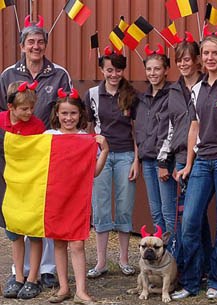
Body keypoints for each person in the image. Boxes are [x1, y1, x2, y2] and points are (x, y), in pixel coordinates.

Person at [0, 15, 72, 288]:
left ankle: (48, 269)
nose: (36, 46)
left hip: (47, 156)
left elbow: (67, 111)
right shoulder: (7, 74)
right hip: (17, 159)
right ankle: (22, 270)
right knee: (21, 213)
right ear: (22, 46)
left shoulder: (59, 73)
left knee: (47, 209)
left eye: (40, 42)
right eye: (31, 42)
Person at [172, 29, 217, 300]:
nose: (210, 57)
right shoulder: (197, 88)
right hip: (202, 160)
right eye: (206, 53)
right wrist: (189, 164)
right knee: (189, 221)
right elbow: (193, 128)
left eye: (215, 53)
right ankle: (190, 282)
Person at [46, 88, 108, 304]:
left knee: (78, 244)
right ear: (57, 114)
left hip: (77, 198)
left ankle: (81, 291)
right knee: (59, 242)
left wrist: (105, 151)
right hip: (55, 197)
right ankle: (63, 287)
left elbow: (95, 172)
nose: (68, 118)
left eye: (73, 113)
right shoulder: (49, 137)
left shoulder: (85, 139)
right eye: (64, 113)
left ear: (80, 114)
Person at [157, 35, 212, 272]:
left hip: (205, 155)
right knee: (191, 216)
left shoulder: (207, 86)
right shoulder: (173, 91)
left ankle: (200, 266)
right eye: (179, 60)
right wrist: (164, 159)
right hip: (181, 157)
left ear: (197, 61)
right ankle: (200, 266)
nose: (183, 64)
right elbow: (169, 126)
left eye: (187, 59)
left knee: (194, 216)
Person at [84, 47, 139, 278]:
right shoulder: (92, 95)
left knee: (124, 206)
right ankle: (101, 262)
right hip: (100, 156)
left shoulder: (132, 95)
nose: (113, 74)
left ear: (122, 70)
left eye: (117, 70)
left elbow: (138, 131)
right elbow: (87, 127)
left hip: (126, 154)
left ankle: (124, 259)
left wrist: (137, 160)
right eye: (109, 70)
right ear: (102, 70)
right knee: (101, 206)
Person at [2, 80, 45, 299]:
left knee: (35, 233)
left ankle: (33, 278)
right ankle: (18, 275)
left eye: (31, 108)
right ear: (11, 107)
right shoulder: (1, 122)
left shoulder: (37, 126)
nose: (29, 112)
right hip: (10, 186)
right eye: (24, 109)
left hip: (32, 186)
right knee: (15, 232)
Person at [135, 45, 176, 245]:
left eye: (157, 69)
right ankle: (162, 256)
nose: (153, 73)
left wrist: (164, 162)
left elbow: (171, 129)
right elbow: (138, 130)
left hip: (164, 162)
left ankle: (175, 257)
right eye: (149, 69)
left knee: (169, 213)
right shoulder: (142, 98)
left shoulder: (173, 94)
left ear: (166, 70)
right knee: (156, 211)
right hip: (147, 160)